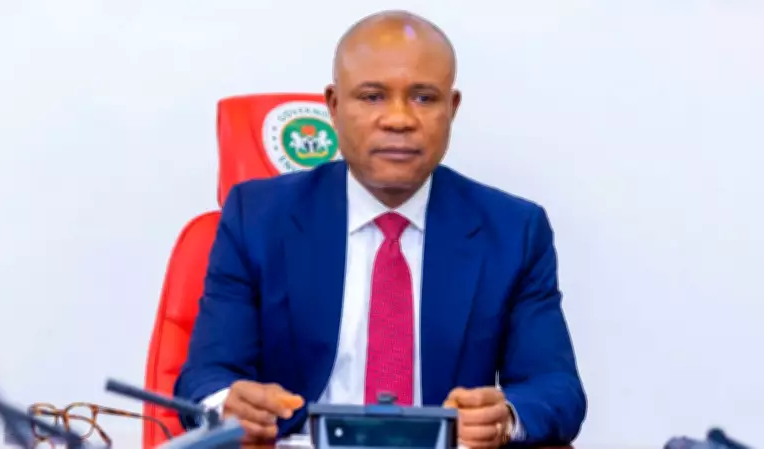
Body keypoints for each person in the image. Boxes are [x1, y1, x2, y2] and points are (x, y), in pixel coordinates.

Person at [175, 9, 586, 448]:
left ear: (452, 108)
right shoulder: (257, 217)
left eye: (424, 98)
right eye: (372, 97)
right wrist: (230, 405)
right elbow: (206, 376)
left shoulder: (514, 230)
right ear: (334, 106)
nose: (398, 119)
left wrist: (505, 415)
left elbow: (556, 389)